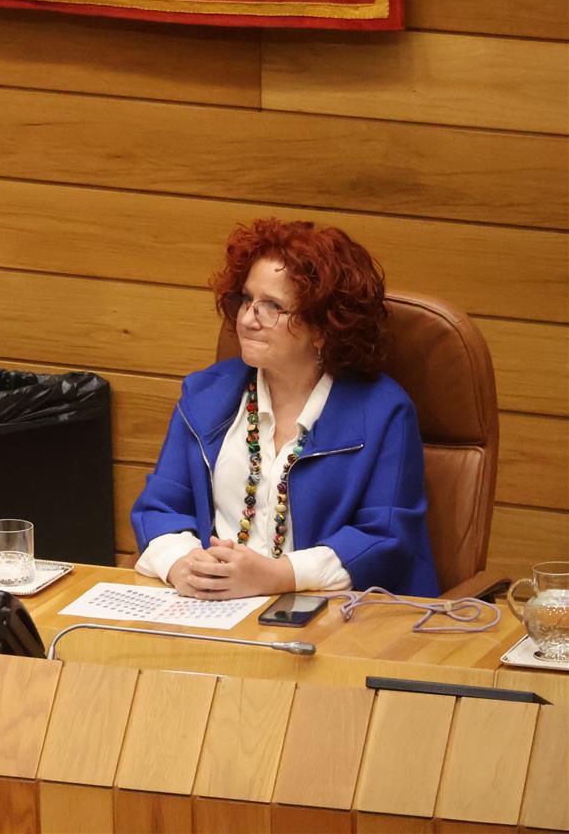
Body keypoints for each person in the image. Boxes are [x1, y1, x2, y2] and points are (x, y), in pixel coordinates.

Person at [131, 219, 439, 598]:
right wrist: (184, 565)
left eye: (272, 307)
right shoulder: (204, 395)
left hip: (333, 617)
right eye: (246, 300)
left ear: (325, 327)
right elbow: (158, 508)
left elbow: (386, 537)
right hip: (208, 609)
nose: (246, 319)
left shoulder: (384, 412)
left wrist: (280, 575)